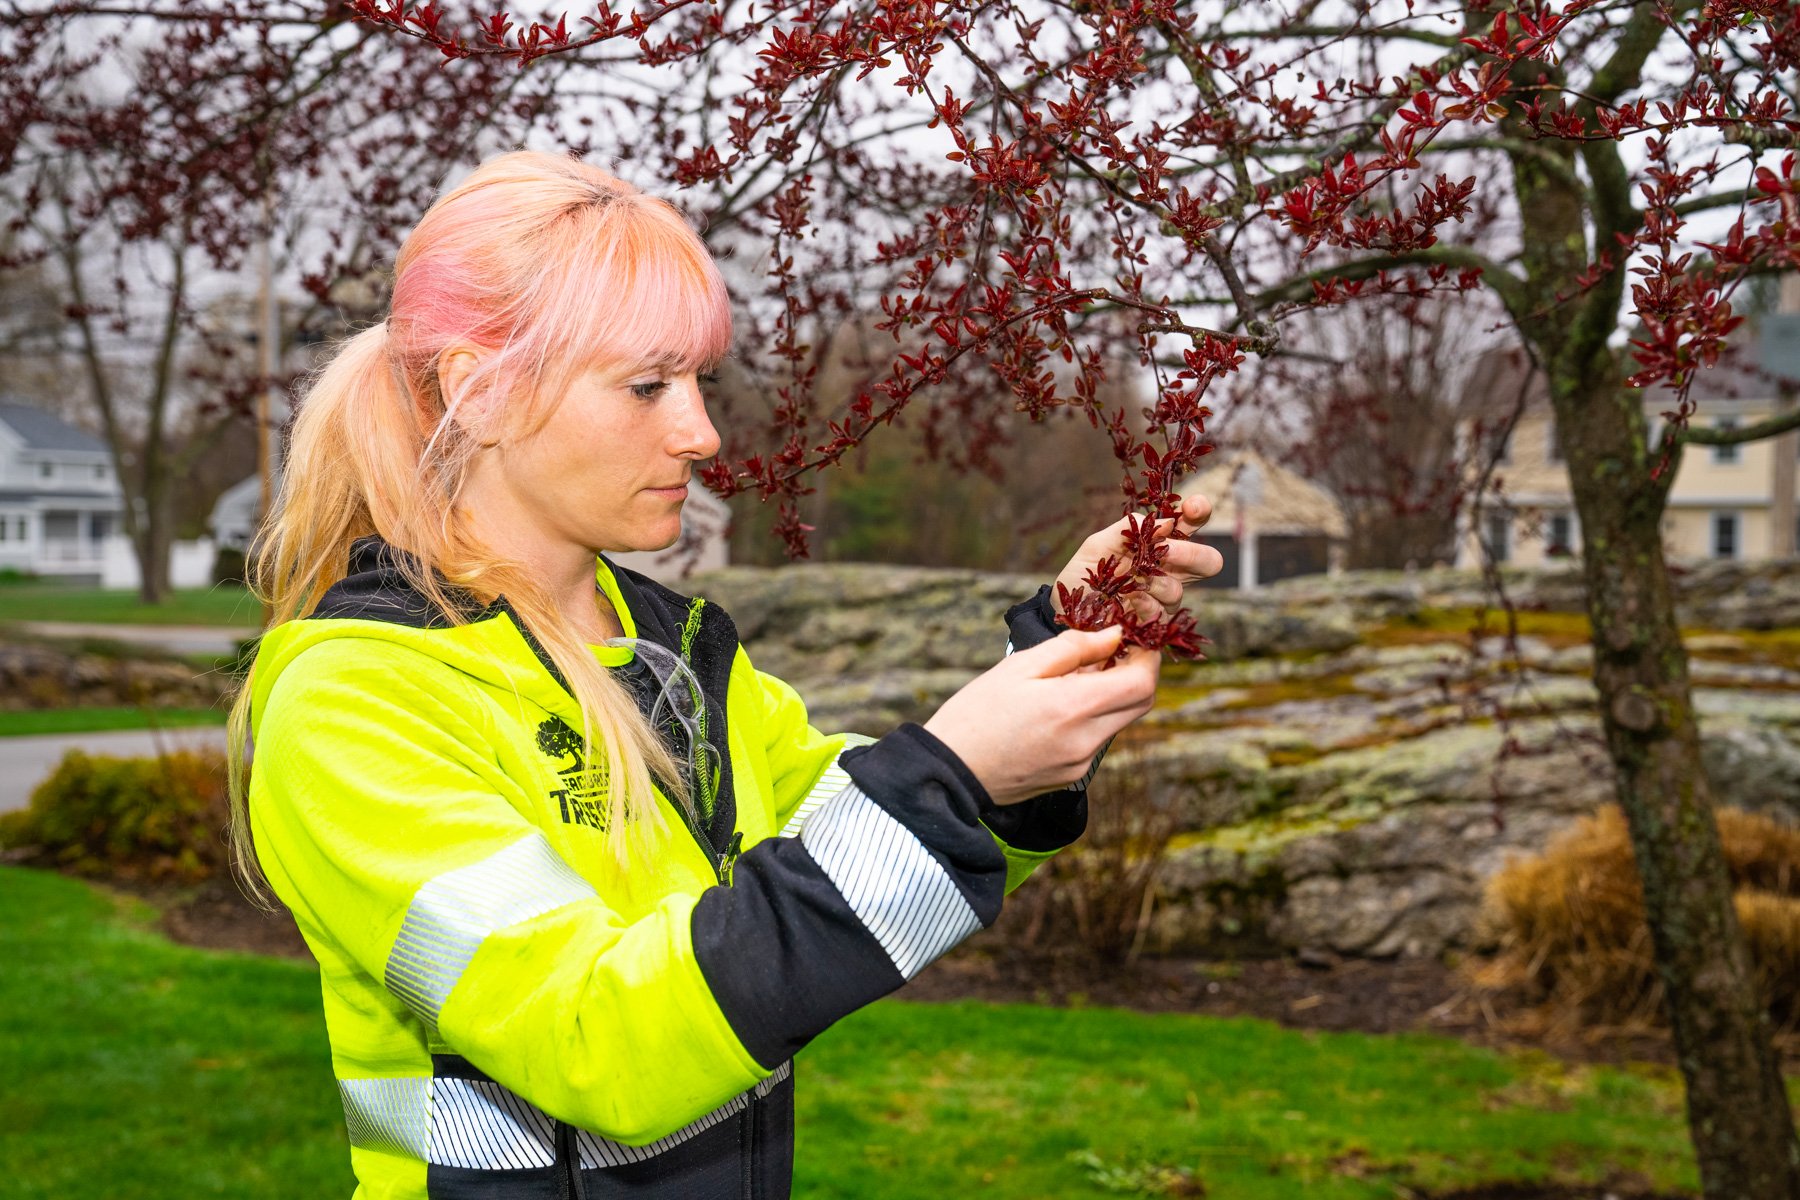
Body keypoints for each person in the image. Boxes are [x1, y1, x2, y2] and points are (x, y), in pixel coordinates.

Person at [227, 149, 1220, 1200]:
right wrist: (955, 772)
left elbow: (852, 854)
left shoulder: (677, 647)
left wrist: (1055, 657)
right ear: (479, 390)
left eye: (700, 381)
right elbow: (593, 1038)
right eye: (646, 386)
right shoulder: (360, 698)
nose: (701, 433)